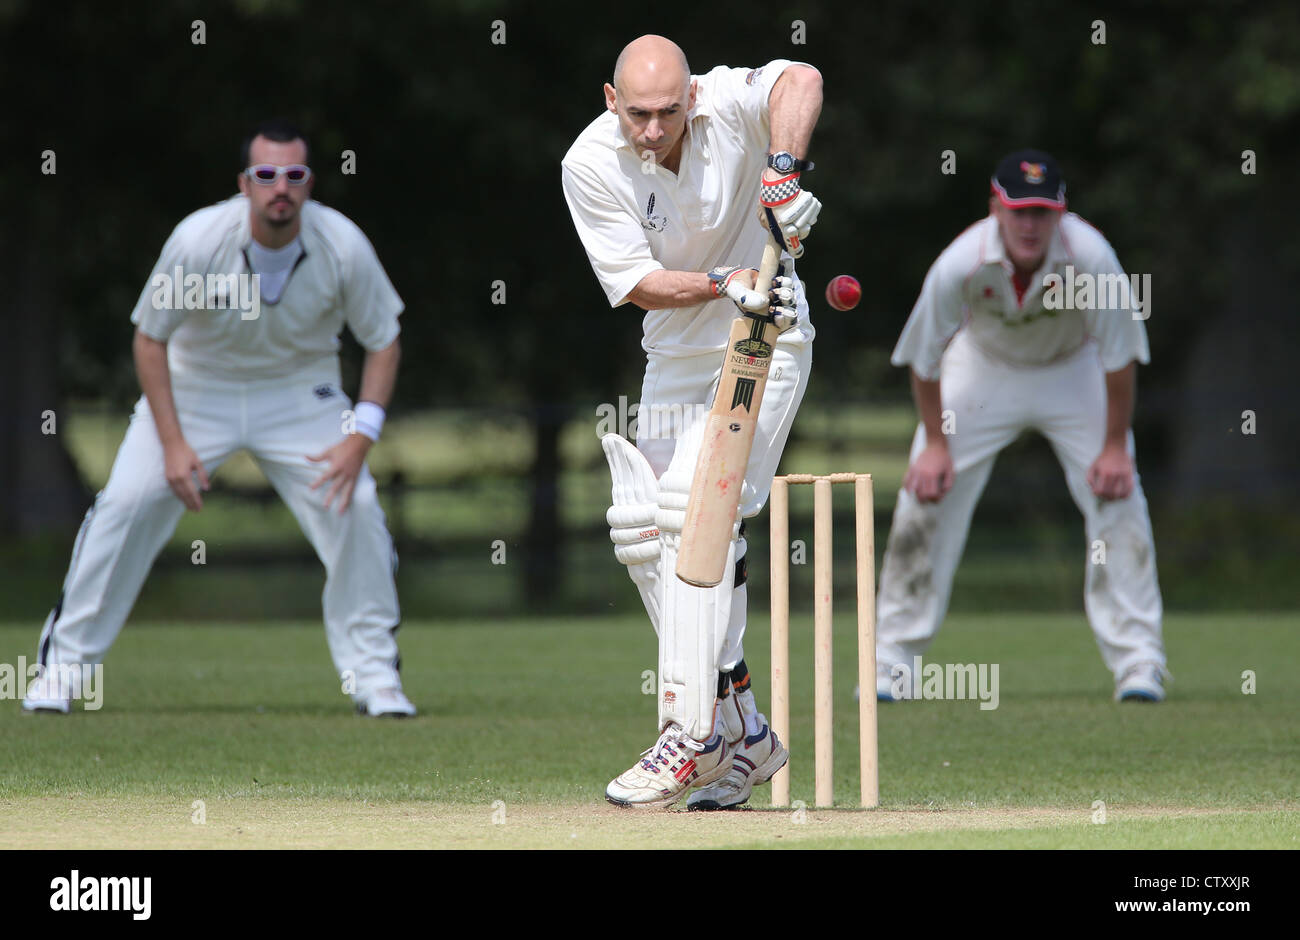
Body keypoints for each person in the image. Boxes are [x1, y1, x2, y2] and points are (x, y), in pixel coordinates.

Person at [23, 118, 415, 717]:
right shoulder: (198, 239)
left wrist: (362, 434)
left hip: (299, 395)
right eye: (265, 175)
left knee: (356, 504)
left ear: (309, 183)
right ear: (244, 183)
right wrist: (174, 446)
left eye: (293, 174)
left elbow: (383, 339)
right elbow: (149, 341)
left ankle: (374, 678)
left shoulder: (343, 245)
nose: (279, 187)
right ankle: (61, 673)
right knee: (125, 504)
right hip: (194, 390)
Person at [562, 35, 824, 808]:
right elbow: (639, 283)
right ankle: (747, 730)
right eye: (636, 114)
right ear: (611, 102)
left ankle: (696, 730)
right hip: (678, 348)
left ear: (692, 99)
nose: (651, 130)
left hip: (767, 335)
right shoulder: (588, 163)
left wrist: (782, 176)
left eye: (667, 113)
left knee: (696, 515)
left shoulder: (729, 100)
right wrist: (724, 280)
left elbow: (801, 79)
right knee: (643, 528)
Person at [875, 149, 1167, 703]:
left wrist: (1112, 447)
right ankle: (892, 661)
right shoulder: (960, 261)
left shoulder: (1091, 258)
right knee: (924, 496)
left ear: (1061, 213)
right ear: (996, 208)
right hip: (983, 368)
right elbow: (924, 358)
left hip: (1073, 369)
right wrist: (936, 445)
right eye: (1019, 211)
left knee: (1118, 496)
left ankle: (1139, 662)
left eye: (1042, 212)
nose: (1030, 225)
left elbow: (1121, 355)